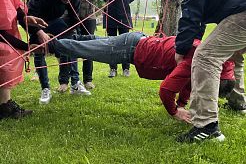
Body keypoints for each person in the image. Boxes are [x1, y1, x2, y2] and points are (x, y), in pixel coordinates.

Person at [47, 32, 235, 122]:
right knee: (86, 50)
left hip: (136, 42)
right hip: (129, 48)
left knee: (92, 44)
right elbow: (166, 90)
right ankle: (49, 44)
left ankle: (71, 38)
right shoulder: (196, 62)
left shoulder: (213, 61)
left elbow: (188, 83)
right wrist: (175, 112)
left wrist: (182, 104)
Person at [161, 0, 246, 142]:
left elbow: (190, 14)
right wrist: (191, 40)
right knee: (235, 55)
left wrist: (181, 49)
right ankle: (238, 102)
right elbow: (198, 17)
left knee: (206, 57)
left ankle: (206, 126)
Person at [27, 0, 91, 105]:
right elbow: (28, 19)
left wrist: (70, 34)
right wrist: (40, 32)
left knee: (71, 43)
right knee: (39, 49)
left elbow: (74, 20)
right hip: (35, 21)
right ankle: (45, 88)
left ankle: (75, 83)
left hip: (56, 21)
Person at [0, 0, 47, 120]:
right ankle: (4, 107)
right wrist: (27, 46)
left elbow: (18, 9)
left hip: (6, 34)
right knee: (5, 57)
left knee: (8, 58)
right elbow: (1, 33)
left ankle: (5, 104)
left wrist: (29, 20)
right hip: (3, 36)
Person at [61, 0, 104, 90]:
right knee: (67, 46)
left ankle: (88, 79)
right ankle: (64, 82)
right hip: (69, 16)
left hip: (88, 16)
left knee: (88, 47)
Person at [101, 0, 145, 78]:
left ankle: (126, 68)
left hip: (123, 15)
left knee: (126, 43)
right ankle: (113, 69)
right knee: (112, 42)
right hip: (110, 14)